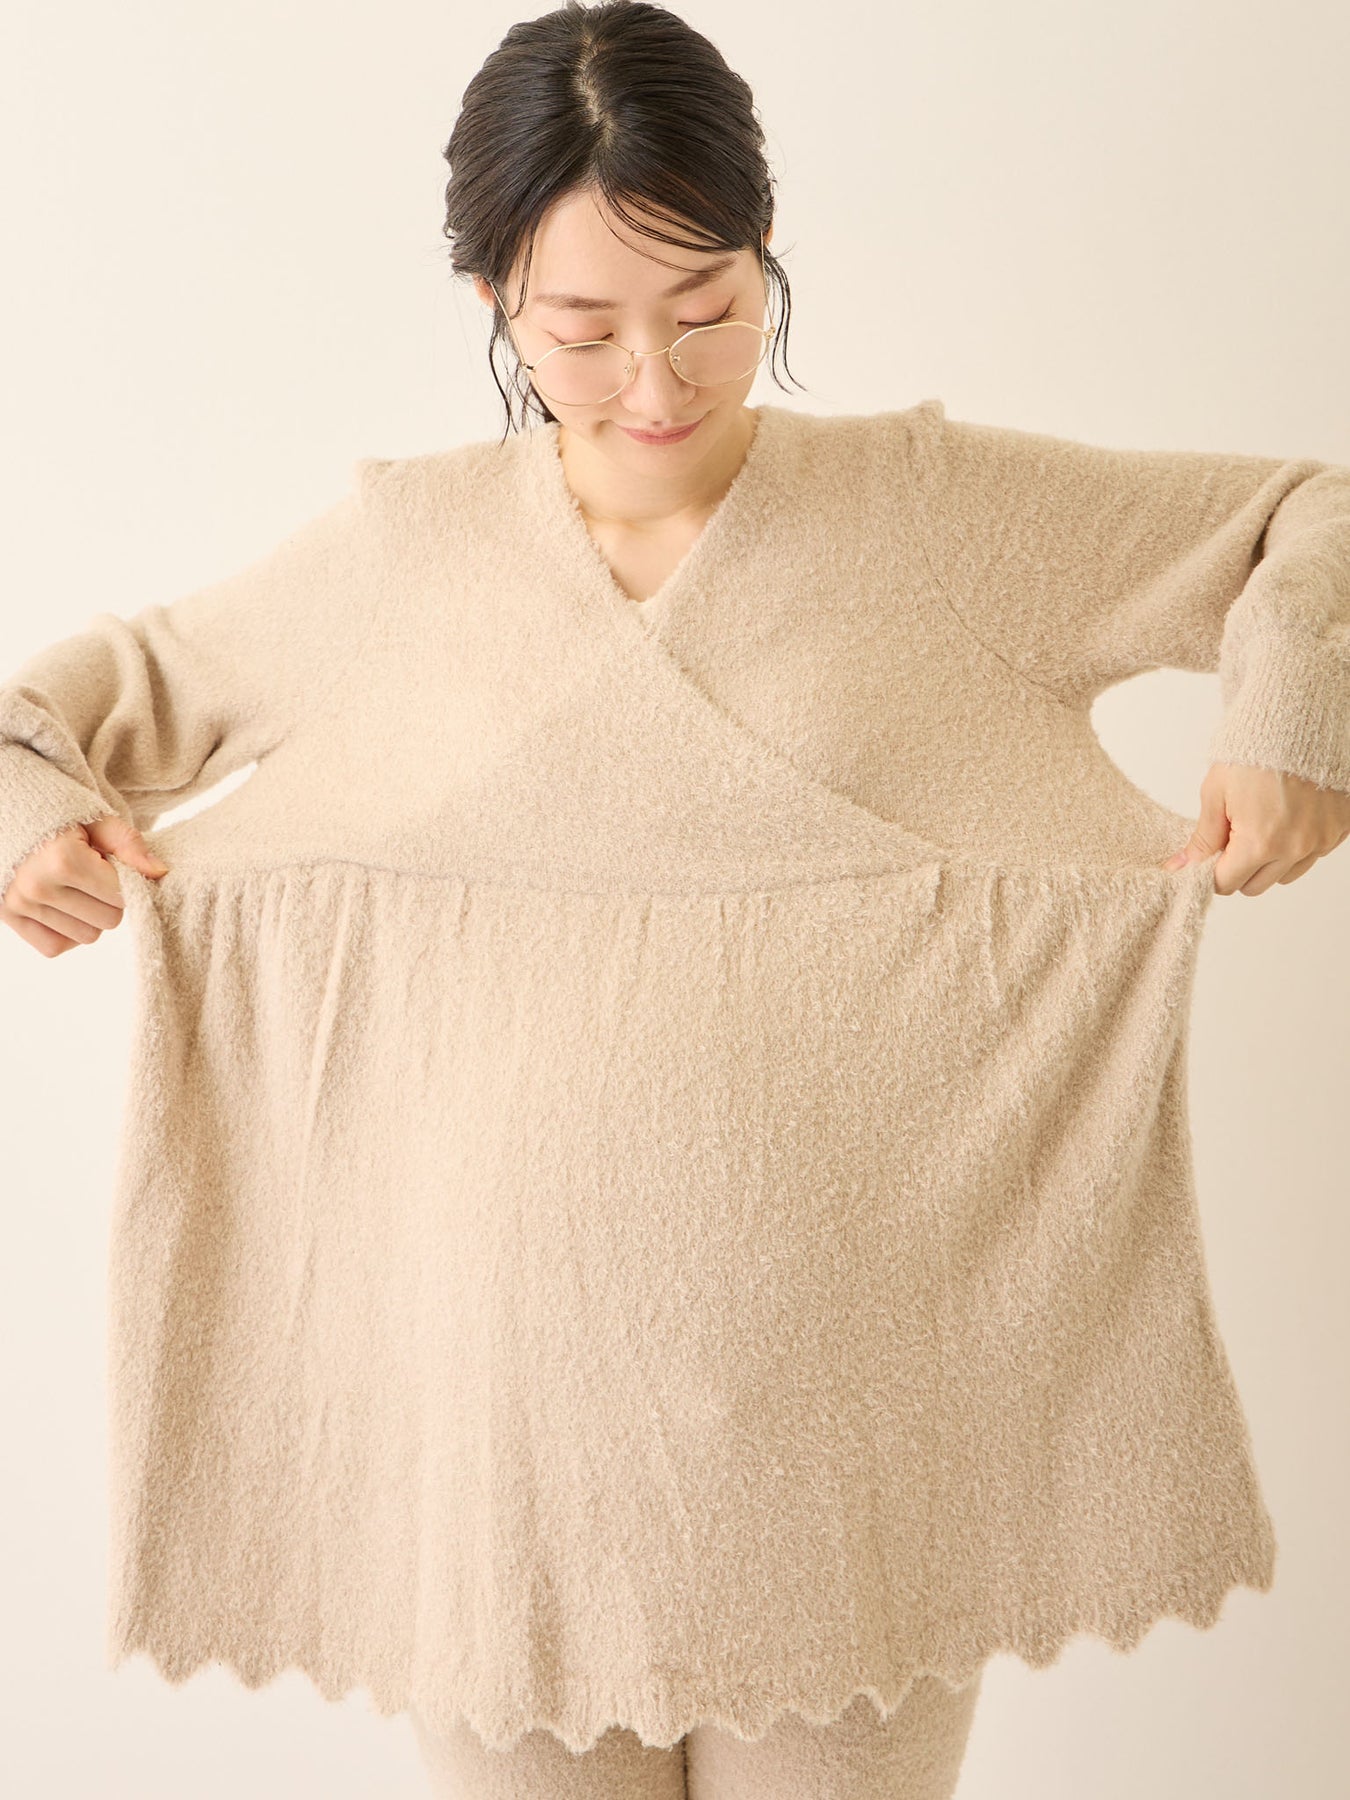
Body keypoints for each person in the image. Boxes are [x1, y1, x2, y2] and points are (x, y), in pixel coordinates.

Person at [3, 5, 1348, 1797]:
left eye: (707, 307)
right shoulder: (401, 559)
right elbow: (48, 717)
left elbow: (1307, 517)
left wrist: (1287, 720)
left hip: (855, 1438)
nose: (653, 381)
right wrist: (31, 821)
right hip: (498, 1456)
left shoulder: (929, 515)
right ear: (493, 299)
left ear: (764, 253)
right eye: (582, 330)